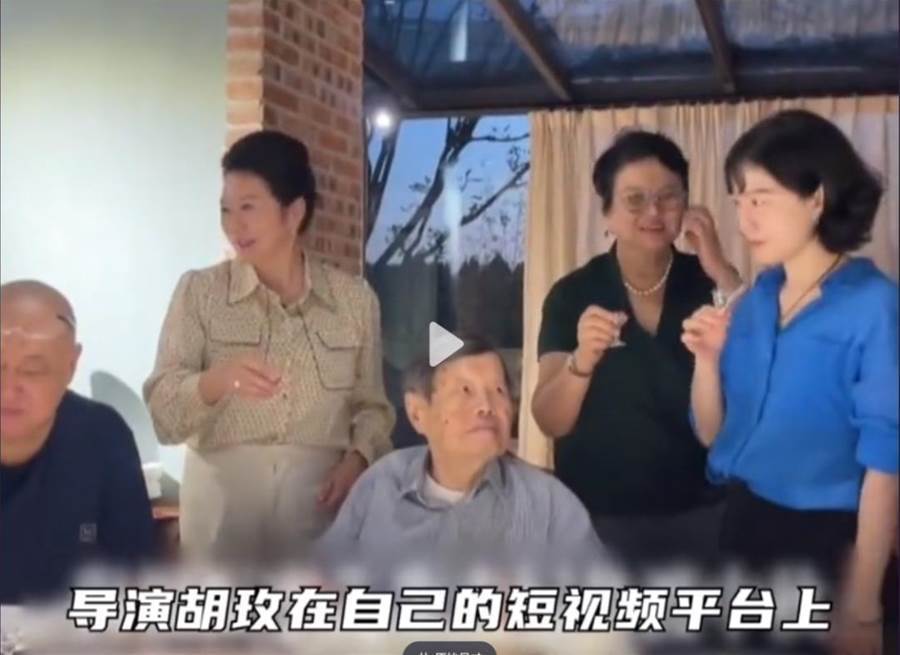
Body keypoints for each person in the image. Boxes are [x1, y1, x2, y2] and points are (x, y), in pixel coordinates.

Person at [683, 109, 897, 655]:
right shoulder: (755, 302)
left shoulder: (874, 306)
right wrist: (706, 362)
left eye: (761, 198)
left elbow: (885, 464)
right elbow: (713, 435)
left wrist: (863, 604)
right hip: (741, 527)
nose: (744, 219)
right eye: (738, 201)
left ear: (816, 198)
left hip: (828, 541)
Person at [144, 130, 395, 561]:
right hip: (221, 508)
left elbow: (373, 407)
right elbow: (164, 415)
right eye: (225, 209)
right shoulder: (199, 292)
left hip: (318, 506)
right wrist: (216, 382)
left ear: (293, 212)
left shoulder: (354, 300)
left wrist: (358, 460)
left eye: (248, 208)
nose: (233, 225)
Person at [531, 130, 741, 567]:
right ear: (607, 211)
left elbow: (763, 352)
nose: (653, 211)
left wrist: (720, 267)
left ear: (686, 205)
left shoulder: (709, 282)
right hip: (597, 519)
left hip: (702, 514)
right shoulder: (573, 293)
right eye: (634, 199)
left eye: (668, 196)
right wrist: (581, 362)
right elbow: (549, 419)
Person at [318, 337, 601, 565]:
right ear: (417, 413)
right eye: (466, 391)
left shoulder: (547, 503)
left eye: (499, 391)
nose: (486, 406)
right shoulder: (381, 483)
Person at [0, 280, 154, 603]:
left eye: (32, 370)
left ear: (70, 366)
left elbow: (133, 577)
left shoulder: (103, 438)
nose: (8, 389)